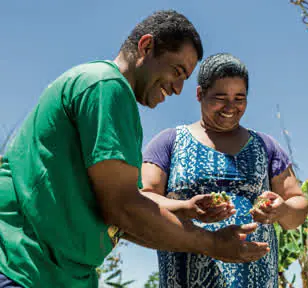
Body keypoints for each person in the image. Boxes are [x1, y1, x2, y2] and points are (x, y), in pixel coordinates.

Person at [0, 11, 269, 288]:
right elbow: (124, 207)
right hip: (24, 266)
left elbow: (120, 210)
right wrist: (211, 242)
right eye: (177, 71)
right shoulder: (106, 86)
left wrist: (183, 208)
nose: (178, 88)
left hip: (55, 274)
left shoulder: (106, 91)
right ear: (146, 46)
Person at [141, 52, 308, 287]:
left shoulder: (266, 147)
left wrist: (281, 211)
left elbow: (298, 206)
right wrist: (185, 208)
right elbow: (144, 199)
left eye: (239, 98)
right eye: (220, 97)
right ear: (200, 94)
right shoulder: (169, 142)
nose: (231, 107)